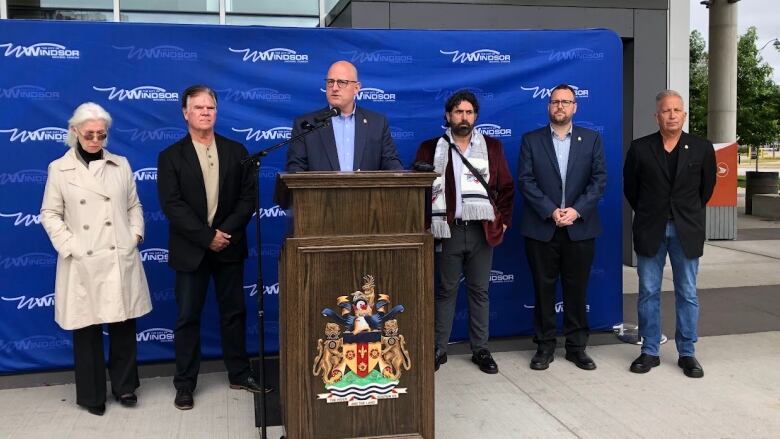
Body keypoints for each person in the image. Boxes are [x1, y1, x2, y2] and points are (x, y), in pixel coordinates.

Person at [40, 102, 152, 416]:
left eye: (101, 134)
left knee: (123, 325)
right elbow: (49, 213)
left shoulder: (121, 164)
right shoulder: (59, 169)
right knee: (86, 331)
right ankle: (92, 396)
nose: (95, 140)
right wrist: (71, 245)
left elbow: (134, 207)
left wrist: (134, 237)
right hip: (83, 259)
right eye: (89, 134)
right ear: (74, 131)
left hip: (119, 254)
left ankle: (125, 386)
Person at [157, 85, 262, 410]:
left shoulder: (236, 151)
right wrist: (206, 237)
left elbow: (248, 199)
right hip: (191, 251)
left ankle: (239, 373)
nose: (205, 112)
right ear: (185, 113)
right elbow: (172, 205)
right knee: (188, 318)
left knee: (234, 314)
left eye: (210, 108)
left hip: (229, 246)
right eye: (198, 108)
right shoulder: (171, 156)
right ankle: (185, 384)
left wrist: (224, 233)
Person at [414, 90, 514, 374]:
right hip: (448, 231)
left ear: (476, 117)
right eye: (458, 112)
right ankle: (438, 349)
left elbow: (506, 188)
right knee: (445, 291)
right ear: (448, 116)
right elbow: (419, 191)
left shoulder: (492, 147)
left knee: (480, 291)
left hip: (483, 230)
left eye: (469, 112)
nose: (464, 117)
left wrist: (503, 221)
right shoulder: (430, 148)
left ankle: (481, 349)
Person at [624, 89, 716, 378]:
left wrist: (681, 213)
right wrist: (654, 211)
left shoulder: (701, 148)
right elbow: (632, 190)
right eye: (666, 110)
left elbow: (706, 190)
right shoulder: (640, 148)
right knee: (648, 292)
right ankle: (650, 350)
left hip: (686, 230)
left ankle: (687, 352)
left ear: (684, 115)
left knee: (687, 293)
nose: (672, 115)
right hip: (650, 229)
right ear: (657, 116)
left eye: (677, 110)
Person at [518, 84, 607, 371]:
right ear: (548, 106)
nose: (560, 106)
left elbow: (599, 181)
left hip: (579, 228)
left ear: (575, 107)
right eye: (555, 101)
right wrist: (551, 211)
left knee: (577, 290)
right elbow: (526, 181)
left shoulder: (591, 139)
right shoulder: (531, 140)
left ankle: (576, 347)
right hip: (542, 227)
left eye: (566, 102)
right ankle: (544, 347)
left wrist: (576, 211)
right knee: (543, 291)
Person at [286, 60, 403, 172]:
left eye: (341, 82)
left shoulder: (377, 123)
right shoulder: (306, 124)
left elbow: (391, 165)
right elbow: (295, 170)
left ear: (356, 88)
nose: (335, 88)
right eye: (330, 82)